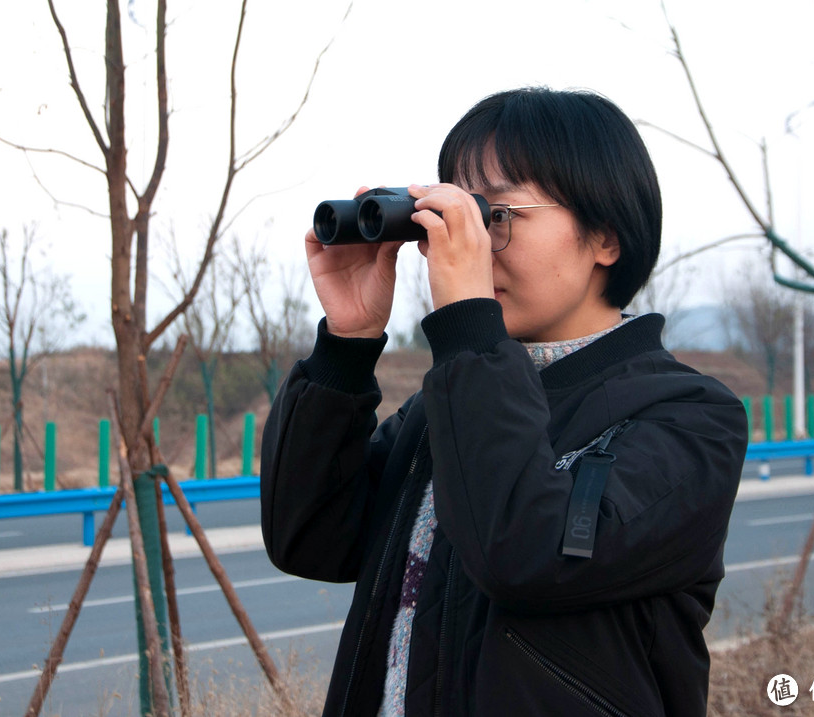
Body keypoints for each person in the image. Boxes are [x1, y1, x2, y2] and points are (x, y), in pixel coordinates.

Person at [260, 86, 748, 717]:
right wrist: (347, 347)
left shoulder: (691, 418)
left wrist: (468, 324)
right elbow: (311, 540)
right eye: (454, 215)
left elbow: (528, 554)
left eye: (496, 214)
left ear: (605, 236)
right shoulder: (451, 406)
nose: (469, 243)